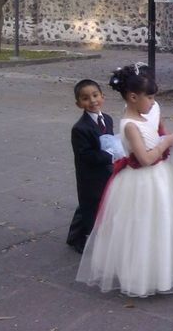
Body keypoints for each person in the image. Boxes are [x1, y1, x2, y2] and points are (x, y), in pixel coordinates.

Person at [76, 64, 173, 297]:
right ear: (133, 97)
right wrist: (166, 142)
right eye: (149, 97)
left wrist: (163, 134)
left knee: (163, 222)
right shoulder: (130, 126)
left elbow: (158, 125)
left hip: (159, 178)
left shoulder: (150, 109)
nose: (153, 101)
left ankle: (165, 270)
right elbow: (145, 158)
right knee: (141, 227)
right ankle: (139, 276)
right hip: (141, 182)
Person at [66, 79, 114, 254]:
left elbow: (109, 141)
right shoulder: (80, 128)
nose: (92, 101)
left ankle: (73, 235)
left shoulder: (107, 119)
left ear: (103, 96)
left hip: (105, 170)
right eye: (86, 98)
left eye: (95, 95)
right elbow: (86, 155)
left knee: (89, 204)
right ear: (79, 104)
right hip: (89, 174)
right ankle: (81, 239)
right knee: (89, 205)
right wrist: (110, 155)